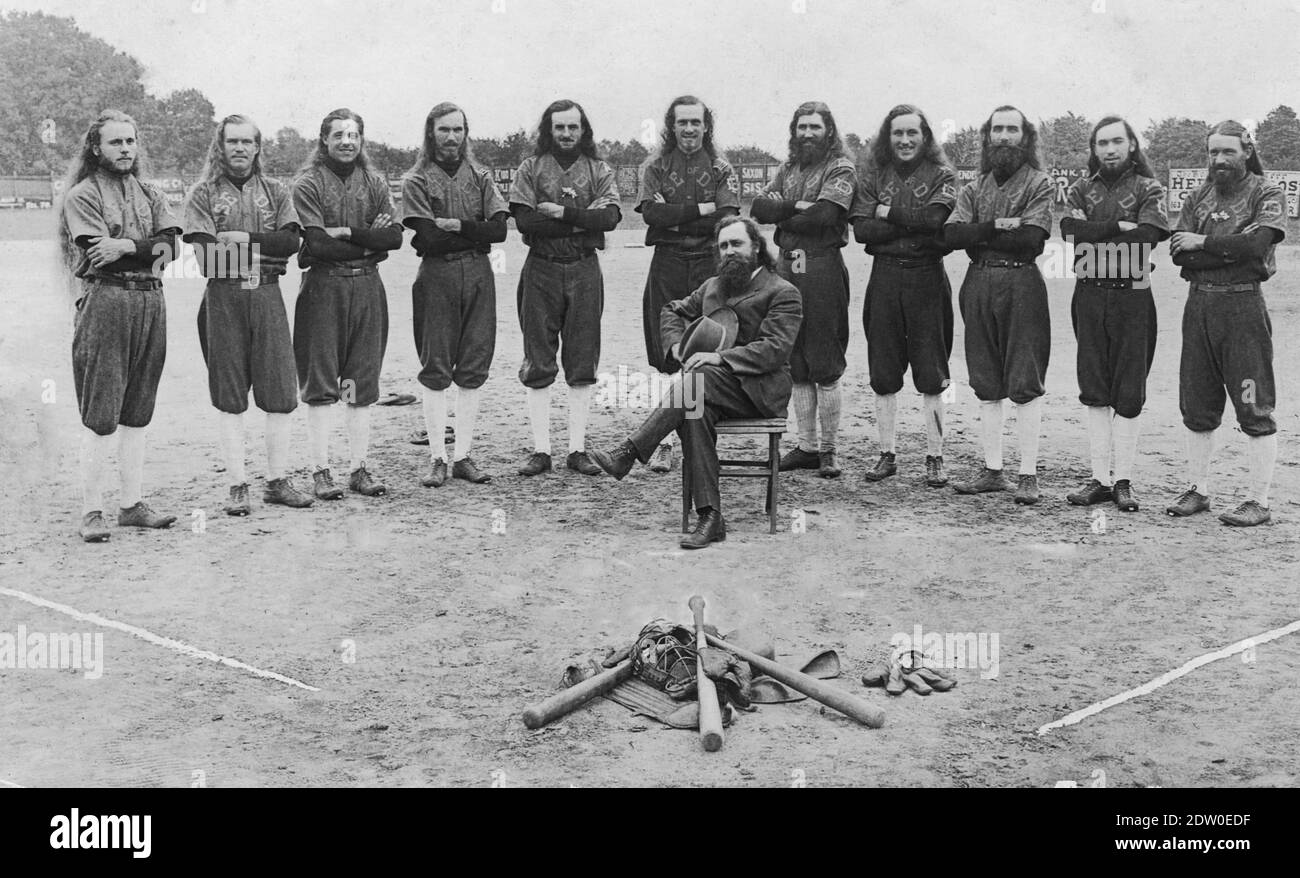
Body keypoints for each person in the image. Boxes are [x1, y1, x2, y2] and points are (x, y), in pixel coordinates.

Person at [588, 216, 802, 549]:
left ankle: (629, 451)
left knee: (696, 381)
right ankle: (711, 516)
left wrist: (719, 358)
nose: (729, 252)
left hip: (759, 390)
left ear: (756, 247)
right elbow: (672, 310)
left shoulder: (782, 291)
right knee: (693, 409)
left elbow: (774, 349)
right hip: (708, 389)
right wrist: (677, 346)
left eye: (737, 244)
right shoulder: (713, 286)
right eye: (723, 246)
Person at [57, 110, 182, 542]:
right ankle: (92, 510)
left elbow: (172, 250)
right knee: (102, 412)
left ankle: (131, 504)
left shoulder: (149, 192)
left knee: (138, 410)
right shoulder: (83, 195)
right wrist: (143, 249)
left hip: (151, 299)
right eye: (115, 143)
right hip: (107, 299)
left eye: (130, 142)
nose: (125, 149)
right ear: (96, 148)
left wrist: (128, 244)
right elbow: (97, 254)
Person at [183, 114, 313, 516]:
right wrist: (265, 251)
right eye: (232, 142)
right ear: (220, 147)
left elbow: (290, 242)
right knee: (229, 394)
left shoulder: (276, 190)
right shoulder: (203, 193)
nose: (239, 148)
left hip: (268, 295)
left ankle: (276, 481)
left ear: (258, 147)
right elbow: (207, 257)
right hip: (223, 299)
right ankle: (237, 484)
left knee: (279, 391)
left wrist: (243, 241)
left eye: (247, 142)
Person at [1166, 120, 1287, 526]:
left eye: (1228, 151)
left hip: (1242, 307)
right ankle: (1199, 490)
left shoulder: (1265, 193)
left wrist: (1204, 243)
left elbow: (1256, 247)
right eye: (1213, 152)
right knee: (1197, 402)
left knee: (1252, 401)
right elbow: (1179, 254)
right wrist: (1221, 249)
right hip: (1199, 305)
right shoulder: (1199, 196)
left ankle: (1259, 500)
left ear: (1247, 152)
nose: (1219, 160)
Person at [942, 105, 1054, 505]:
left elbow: (1031, 239)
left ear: (1025, 137)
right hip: (979, 280)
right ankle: (992, 469)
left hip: (1022, 280)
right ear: (988, 137)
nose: (1004, 137)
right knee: (985, 379)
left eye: (1013, 130)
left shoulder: (1039, 182)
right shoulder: (975, 186)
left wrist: (980, 234)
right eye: (997, 130)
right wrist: (996, 227)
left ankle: (1027, 474)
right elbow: (952, 235)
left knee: (1024, 378)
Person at [1059, 116, 1170, 512]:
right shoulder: (1081, 187)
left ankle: (1123, 480)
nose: (1109, 149)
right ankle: (1100, 479)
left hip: (1133, 293)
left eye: (1116, 142)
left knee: (1128, 389)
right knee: (1094, 387)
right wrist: (1118, 225)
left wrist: (1099, 231)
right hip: (1089, 292)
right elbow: (1069, 230)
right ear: (1094, 149)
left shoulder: (1149, 187)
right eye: (1101, 143)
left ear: (1132, 145)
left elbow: (1147, 236)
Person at [291, 108, 403, 499]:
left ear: (361, 139)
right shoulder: (309, 183)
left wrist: (350, 234)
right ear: (324, 140)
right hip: (324, 288)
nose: (346, 142)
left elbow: (394, 239)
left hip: (368, 289)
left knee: (359, 380)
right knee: (322, 381)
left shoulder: (373, 182)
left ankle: (358, 467)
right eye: (338, 135)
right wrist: (366, 241)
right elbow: (318, 244)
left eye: (353, 135)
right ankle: (320, 469)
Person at [509, 99, 621, 477]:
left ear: (583, 130)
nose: (567, 134)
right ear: (549, 130)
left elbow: (608, 218)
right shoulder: (531, 167)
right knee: (539, 357)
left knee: (582, 356)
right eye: (559, 127)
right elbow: (525, 221)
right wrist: (581, 222)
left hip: (583, 269)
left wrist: (560, 213)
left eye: (573, 127)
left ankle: (577, 448)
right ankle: (542, 449)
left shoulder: (598, 169)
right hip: (540, 268)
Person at [400, 102, 509, 488]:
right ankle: (437, 456)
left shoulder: (480, 175)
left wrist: (458, 224)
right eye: (444, 130)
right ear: (431, 133)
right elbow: (427, 237)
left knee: (473, 366)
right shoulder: (417, 179)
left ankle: (462, 455)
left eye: (458, 130)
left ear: (466, 133)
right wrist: (473, 228)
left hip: (479, 272)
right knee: (436, 366)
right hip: (438, 274)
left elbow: (499, 232)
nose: (451, 137)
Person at [850, 104, 957, 487]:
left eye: (913, 133)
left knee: (932, 372)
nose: (906, 140)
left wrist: (887, 213)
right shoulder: (873, 174)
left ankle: (935, 456)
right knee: (884, 370)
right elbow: (863, 231)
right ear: (887, 137)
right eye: (898, 133)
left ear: (925, 136)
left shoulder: (942, 174)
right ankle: (887, 453)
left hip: (927, 279)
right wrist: (905, 221)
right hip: (886, 277)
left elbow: (934, 222)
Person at [636, 94, 741, 473]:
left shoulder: (720, 166)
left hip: (708, 265)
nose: (690, 129)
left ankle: (699, 437)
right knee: (668, 347)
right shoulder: (656, 165)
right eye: (682, 122)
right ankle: (663, 443)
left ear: (706, 125)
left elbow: (727, 217)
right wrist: (701, 210)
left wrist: (675, 217)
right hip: (667, 262)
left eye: (696, 122)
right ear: (672, 126)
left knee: (708, 345)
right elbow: (651, 213)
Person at [751, 101, 856, 479]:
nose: (808, 133)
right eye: (802, 127)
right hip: (788, 262)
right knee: (793, 354)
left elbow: (826, 215)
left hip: (823, 261)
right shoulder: (787, 168)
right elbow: (760, 208)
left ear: (829, 130)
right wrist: (796, 205)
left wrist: (787, 210)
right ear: (794, 131)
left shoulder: (840, 166)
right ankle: (808, 446)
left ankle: (828, 449)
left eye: (815, 126)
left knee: (824, 357)